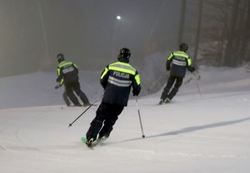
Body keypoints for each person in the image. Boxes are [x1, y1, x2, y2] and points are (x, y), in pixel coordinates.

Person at [85, 48, 141, 147]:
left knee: (100, 117)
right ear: (128, 57)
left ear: (119, 55)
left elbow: (102, 79)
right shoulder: (133, 71)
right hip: (121, 102)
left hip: (108, 98)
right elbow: (137, 87)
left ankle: (91, 137)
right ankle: (103, 136)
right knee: (111, 119)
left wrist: (107, 89)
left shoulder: (111, 66)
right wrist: (135, 92)